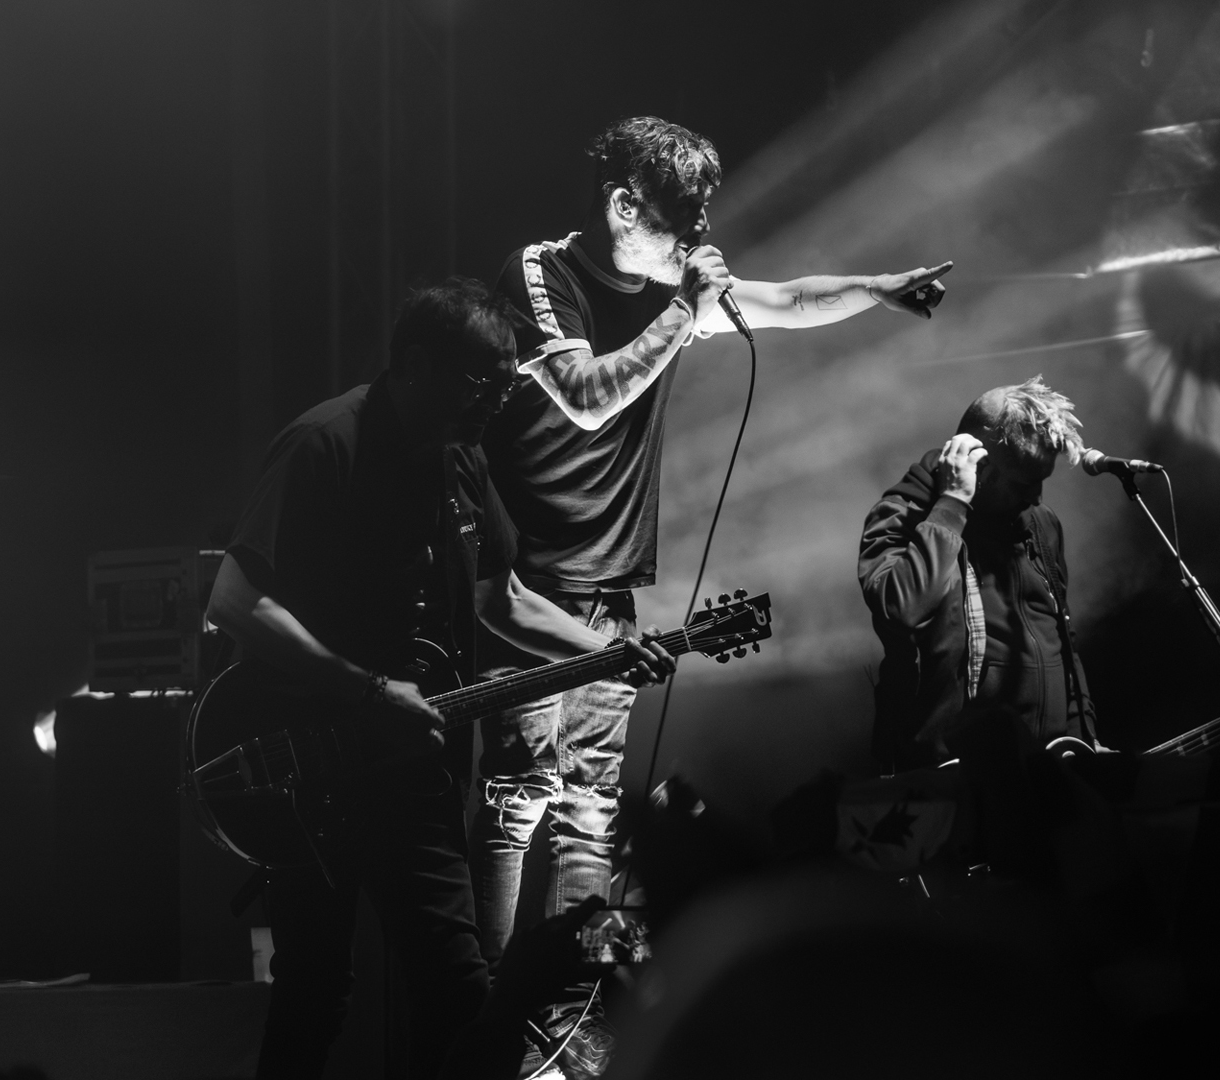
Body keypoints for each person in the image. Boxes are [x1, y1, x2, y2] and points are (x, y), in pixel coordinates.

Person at [472, 114, 953, 1011]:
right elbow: (585, 396)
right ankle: (487, 1014)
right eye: (683, 214)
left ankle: (567, 1024)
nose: (700, 232)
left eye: (703, 213)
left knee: (590, 812)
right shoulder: (542, 273)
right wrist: (683, 312)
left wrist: (879, 288)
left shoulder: (671, 293)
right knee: (518, 797)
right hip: (526, 584)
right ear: (624, 205)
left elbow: (790, 300)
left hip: (611, 589)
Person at [205, 279, 673, 1080]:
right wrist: (365, 690)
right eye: (482, 382)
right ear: (416, 365)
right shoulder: (325, 442)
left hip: (410, 774)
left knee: (457, 989)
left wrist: (608, 650)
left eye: (507, 384)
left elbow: (500, 601)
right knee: (315, 990)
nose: (497, 400)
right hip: (306, 772)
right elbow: (234, 600)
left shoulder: (463, 462)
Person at [857, 376, 1103, 777]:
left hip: (1049, 770)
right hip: (948, 777)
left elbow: (1062, 639)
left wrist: (1085, 738)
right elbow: (900, 608)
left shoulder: (1040, 523)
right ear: (979, 467)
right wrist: (952, 503)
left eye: (1042, 480)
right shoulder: (904, 514)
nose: (1036, 496)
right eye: (1024, 482)